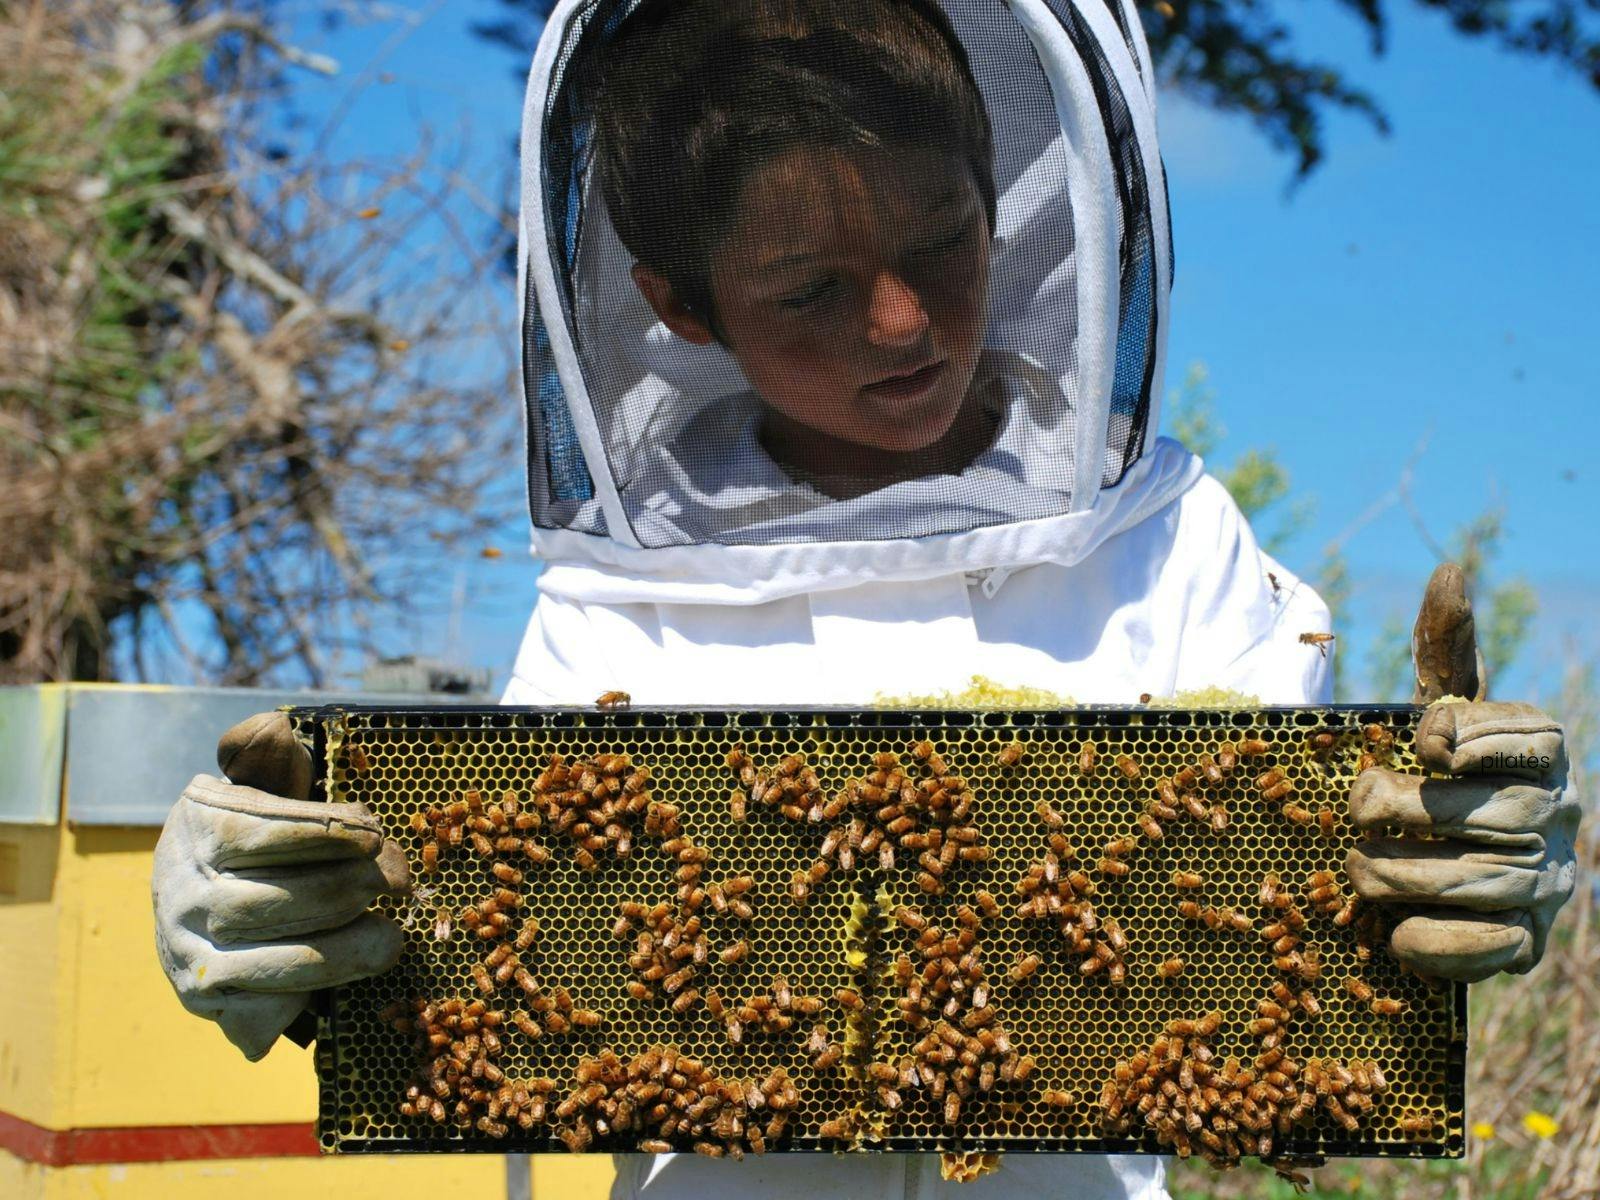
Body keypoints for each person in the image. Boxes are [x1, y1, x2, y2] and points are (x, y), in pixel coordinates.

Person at [152, 1, 1578, 1198]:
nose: (901, 324)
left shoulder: (1168, 541)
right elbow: (477, 950)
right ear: (682, 304)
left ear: (1004, 209)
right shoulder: (620, 609)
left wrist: (1477, 854)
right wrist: (300, 935)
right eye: (811, 288)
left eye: (943, 247)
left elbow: (1335, 884)